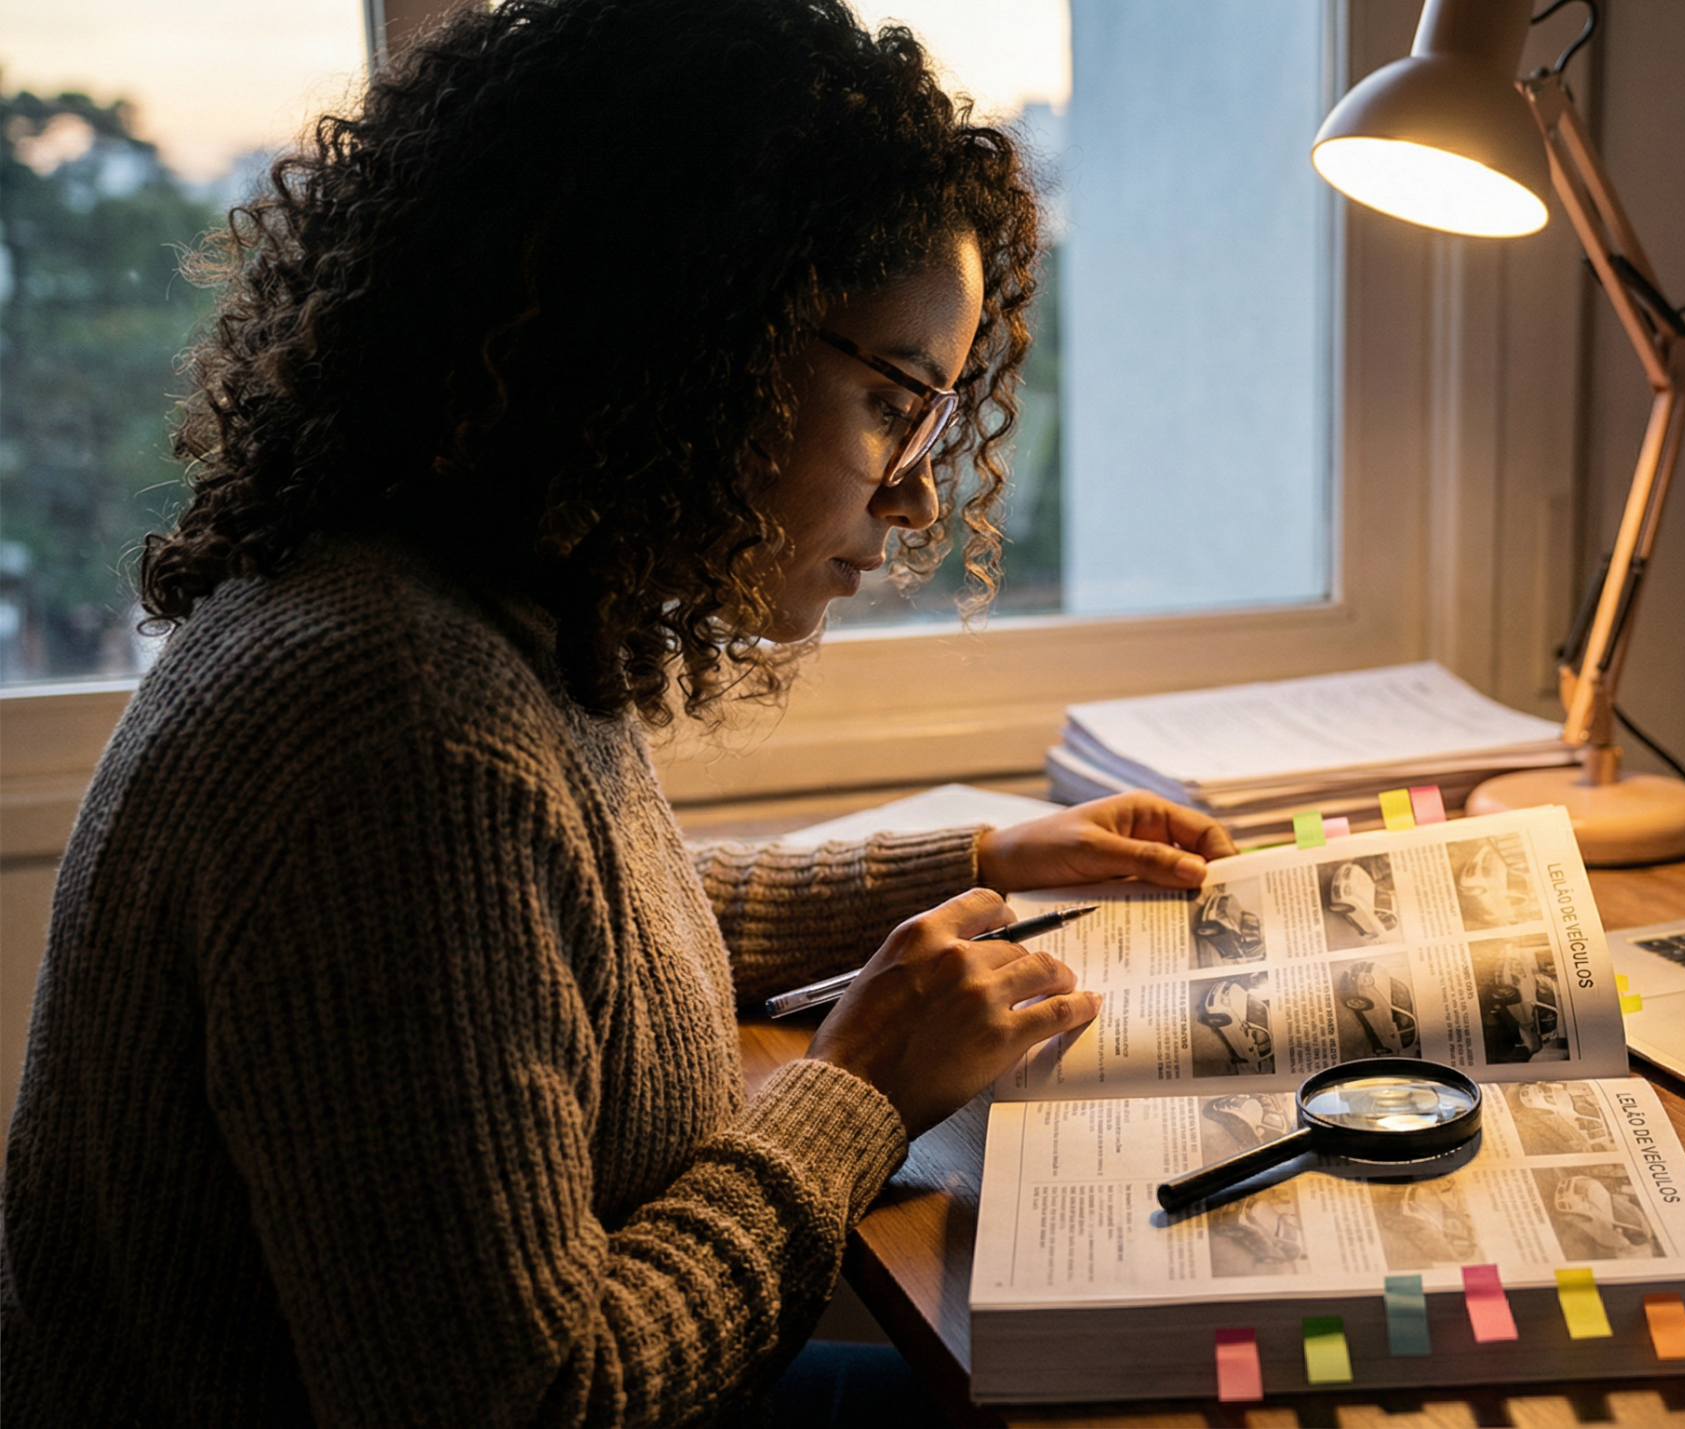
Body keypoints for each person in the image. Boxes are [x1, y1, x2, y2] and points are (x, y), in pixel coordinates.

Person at [0, 1, 1234, 1424]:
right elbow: (531, 1404)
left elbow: (584, 935)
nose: (918, 495)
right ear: (688, 331)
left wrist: (979, 866)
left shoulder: (452, 604)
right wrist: (859, 1095)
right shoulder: (404, 731)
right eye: (899, 400)